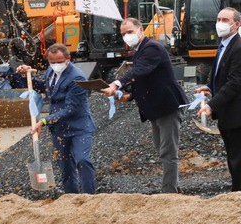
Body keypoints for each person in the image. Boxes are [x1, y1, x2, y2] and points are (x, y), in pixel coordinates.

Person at [102, 17, 189, 194]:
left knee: (168, 151)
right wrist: (130, 95)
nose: (127, 36)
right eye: (123, 34)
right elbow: (148, 80)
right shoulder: (140, 50)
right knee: (162, 149)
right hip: (157, 107)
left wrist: (117, 84)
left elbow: (140, 70)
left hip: (168, 105)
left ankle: (169, 193)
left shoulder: (151, 48)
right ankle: (174, 189)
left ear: (141, 30)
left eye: (130, 32)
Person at [13, 43, 97, 194]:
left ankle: (90, 198)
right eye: (52, 63)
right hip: (59, 130)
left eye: (59, 62)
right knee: (65, 166)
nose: (56, 65)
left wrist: (44, 121)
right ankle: (72, 198)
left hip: (79, 128)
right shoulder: (50, 72)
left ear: (67, 58)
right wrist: (27, 74)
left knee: (83, 160)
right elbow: (42, 86)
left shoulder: (77, 77)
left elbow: (71, 109)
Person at [196, 8, 241, 191]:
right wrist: (209, 87)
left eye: (225, 19)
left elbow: (236, 83)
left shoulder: (240, 48)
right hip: (230, 114)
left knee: (240, 160)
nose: (220, 23)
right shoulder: (224, 45)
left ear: (236, 24)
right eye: (218, 19)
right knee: (234, 158)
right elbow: (220, 75)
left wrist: (211, 105)